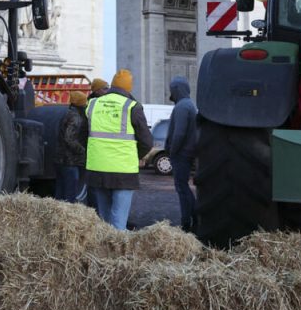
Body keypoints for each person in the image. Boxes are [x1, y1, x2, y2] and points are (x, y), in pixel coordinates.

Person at [85, 69, 153, 230]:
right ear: (129, 88)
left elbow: (82, 136)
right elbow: (147, 141)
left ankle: (102, 252)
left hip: (97, 169)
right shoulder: (132, 106)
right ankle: (116, 253)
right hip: (123, 171)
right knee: (119, 221)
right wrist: (137, 156)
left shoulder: (93, 104)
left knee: (104, 220)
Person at [164, 75, 198, 232]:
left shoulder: (182, 107)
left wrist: (172, 151)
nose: (170, 93)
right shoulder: (188, 105)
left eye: (172, 90)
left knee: (182, 188)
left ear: (177, 90)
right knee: (183, 187)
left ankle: (188, 221)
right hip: (186, 153)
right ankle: (194, 219)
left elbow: (179, 133)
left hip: (181, 154)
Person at [54, 90, 88, 203]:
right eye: (84, 102)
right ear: (80, 104)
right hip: (70, 161)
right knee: (70, 196)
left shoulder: (67, 114)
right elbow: (69, 138)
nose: (86, 104)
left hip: (60, 160)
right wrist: (82, 150)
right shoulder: (75, 117)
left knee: (59, 194)